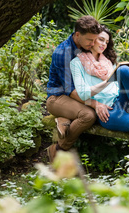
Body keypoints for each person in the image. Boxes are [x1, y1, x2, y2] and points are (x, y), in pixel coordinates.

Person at [70, 25, 129, 150]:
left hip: (122, 101)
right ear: (92, 39)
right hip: (108, 112)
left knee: (124, 70)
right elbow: (82, 93)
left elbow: (118, 86)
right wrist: (106, 84)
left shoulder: (108, 61)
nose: (104, 44)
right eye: (101, 39)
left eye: (107, 42)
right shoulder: (76, 63)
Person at [46, 15, 105, 162]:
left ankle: (65, 119)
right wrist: (95, 103)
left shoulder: (85, 47)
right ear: (77, 35)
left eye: (95, 40)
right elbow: (71, 91)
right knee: (89, 115)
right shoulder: (63, 53)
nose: (93, 44)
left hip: (77, 95)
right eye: (90, 40)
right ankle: (58, 150)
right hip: (58, 98)